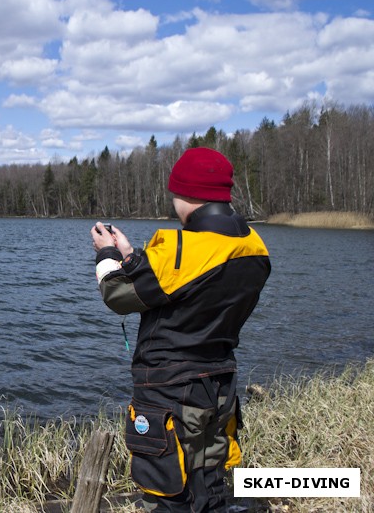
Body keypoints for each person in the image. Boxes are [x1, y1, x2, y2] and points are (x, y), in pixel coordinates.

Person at [90, 147, 270, 512]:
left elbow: (117, 294)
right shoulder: (254, 246)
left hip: (169, 390)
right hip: (219, 384)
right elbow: (187, 286)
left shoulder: (180, 248)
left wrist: (107, 254)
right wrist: (132, 255)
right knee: (209, 480)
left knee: (167, 492)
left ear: (186, 195)